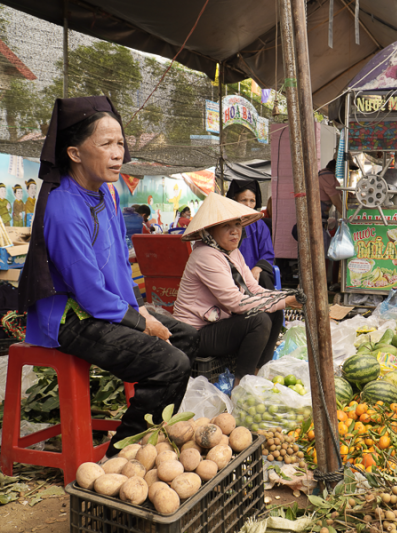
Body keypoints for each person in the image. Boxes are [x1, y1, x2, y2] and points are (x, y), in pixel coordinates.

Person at [19, 96, 199, 458]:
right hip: (70, 318)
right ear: (74, 153)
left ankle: (153, 439)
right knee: (170, 362)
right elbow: (88, 292)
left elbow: (117, 262)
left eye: (120, 143)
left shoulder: (108, 192)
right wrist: (140, 322)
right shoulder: (64, 208)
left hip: (105, 307)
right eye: (106, 144)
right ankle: (120, 458)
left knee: (187, 339)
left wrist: (139, 310)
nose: (119, 153)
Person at [173, 193, 300, 381]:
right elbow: (236, 302)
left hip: (217, 324)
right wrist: (284, 300)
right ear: (210, 230)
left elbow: (253, 288)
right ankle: (242, 382)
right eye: (226, 226)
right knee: (259, 320)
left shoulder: (232, 253)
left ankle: (258, 371)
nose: (235, 232)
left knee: (274, 312)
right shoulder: (205, 256)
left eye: (237, 225)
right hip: (194, 333)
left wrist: (285, 298)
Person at [226, 179, 275, 290]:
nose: (248, 205)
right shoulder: (223, 223)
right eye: (244, 200)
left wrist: (257, 268)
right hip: (229, 271)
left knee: (263, 277)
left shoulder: (260, 225)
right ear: (234, 200)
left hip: (255, 272)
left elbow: (267, 253)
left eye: (252, 201)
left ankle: (271, 307)